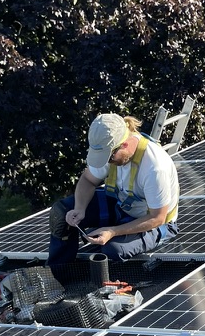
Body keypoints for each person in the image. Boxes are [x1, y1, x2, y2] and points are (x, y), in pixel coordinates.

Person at [48, 112, 179, 266]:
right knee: (60, 213)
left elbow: (157, 218)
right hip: (121, 206)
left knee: (112, 250)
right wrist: (80, 209)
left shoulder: (154, 167)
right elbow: (88, 180)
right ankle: (58, 276)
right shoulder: (110, 150)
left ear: (124, 144)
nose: (107, 162)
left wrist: (113, 232)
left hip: (155, 223)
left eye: (110, 158)